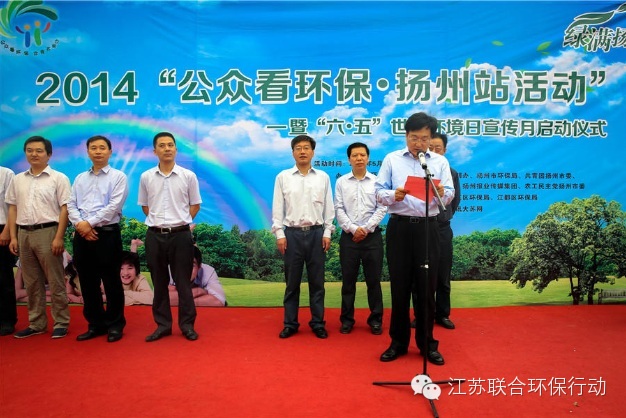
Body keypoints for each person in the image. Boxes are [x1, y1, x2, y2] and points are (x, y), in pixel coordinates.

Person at [375, 112, 454, 365]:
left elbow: (450, 194)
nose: (419, 143)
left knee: (426, 289)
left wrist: (441, 191)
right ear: (406, 135)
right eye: (414, 138)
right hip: (399, 228)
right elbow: (378, 192)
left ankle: (427, 344)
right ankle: (397, 343)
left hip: (428, 229)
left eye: (424, 138)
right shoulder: (392, 159)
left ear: (431, 138)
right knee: (399, 288)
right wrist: (394, 195)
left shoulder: (439, 162)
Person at [138, 131, 202, 342]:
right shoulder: (146, 177)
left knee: (183, 282)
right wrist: (160, 222)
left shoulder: (188, 176)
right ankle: (163, 325)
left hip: (181, 236)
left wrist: (180, 222)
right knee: (159, 282)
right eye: (162, 145)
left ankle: (187, 325)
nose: (167, 149)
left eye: (170, 145)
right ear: (154, 151)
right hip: (154, 235)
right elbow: (145, 206)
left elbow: (195, 205)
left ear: (176, 149)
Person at [6, 135, 71, 339]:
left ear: (49, 154)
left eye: (39, 151)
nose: (34, 154)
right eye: (30, 150)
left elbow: (65, 209)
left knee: (55, 280)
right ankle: (36, 323)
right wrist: (13, 237)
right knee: (31, 281)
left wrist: (59, 237)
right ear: (25, 153)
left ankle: (61, 322)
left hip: (48, 231)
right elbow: (13, 208)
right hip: (23, 233)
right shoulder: (18, 179)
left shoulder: (58, 178)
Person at [271, 134, 335, 339]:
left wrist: (327, 232)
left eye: (306, 148)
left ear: (313, 152)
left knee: (317, 283)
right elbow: (277, 208)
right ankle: (290, 323)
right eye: (298, 148)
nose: (302, 151)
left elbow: (329, 208)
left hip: (317, 234)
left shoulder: (323, 177)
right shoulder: (283, 177)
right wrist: (279, 234)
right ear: (293, 153)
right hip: (292, 235)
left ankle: (318, 323)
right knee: (292, 284)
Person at [68, 135, 128, 343]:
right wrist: (81, 225)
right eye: (93, 148)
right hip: (82, 235)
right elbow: (71, 204)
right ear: (88, 152)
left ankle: (115, 325)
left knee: (111, 281)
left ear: (110, 152)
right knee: (87, 282)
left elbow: (114, 206)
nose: (98, 151)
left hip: (107, 234)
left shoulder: (118, 177)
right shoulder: (80, 178)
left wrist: (89, 224)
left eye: (102, 148)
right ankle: (95, 324)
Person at [334, 142, 387, 335]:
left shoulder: (377, 181)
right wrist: (353, 229)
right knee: (348, 282)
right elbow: (338, 208)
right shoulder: (341, 182)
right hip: (349, 238)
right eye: (355, 155)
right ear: (349, 159)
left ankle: (375, 320)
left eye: (362, 155)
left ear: (368, 158)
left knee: (373, 282)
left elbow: (382, 207)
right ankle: (347, 320)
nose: (359, 158)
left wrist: (365, 228)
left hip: (372, 237)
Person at [429, 133, 461, 329]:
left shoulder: (452, 173)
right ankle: (422, 314)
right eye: (430, 148)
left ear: (445, 150)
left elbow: (454, 201)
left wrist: (444, 215)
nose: (433, 152)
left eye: (437, 148)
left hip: (441, 228)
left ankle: (442, 314)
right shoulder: (418, 171)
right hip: (422, 228)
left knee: (443, 274)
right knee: (421, 276)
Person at [0, 166, 17, 336]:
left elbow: (12, 206)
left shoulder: (6, 174)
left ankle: (7, 320)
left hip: (2, 228)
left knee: (3, 277)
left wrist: (7, 231)